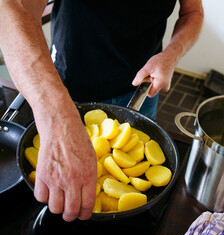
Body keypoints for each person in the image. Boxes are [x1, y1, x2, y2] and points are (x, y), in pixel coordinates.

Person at [0, 0, 203, 222]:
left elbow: (192, 13)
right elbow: (12, 9)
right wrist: (59, 120)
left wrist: (172, 54)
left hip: (142, 89)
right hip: (63, 92)